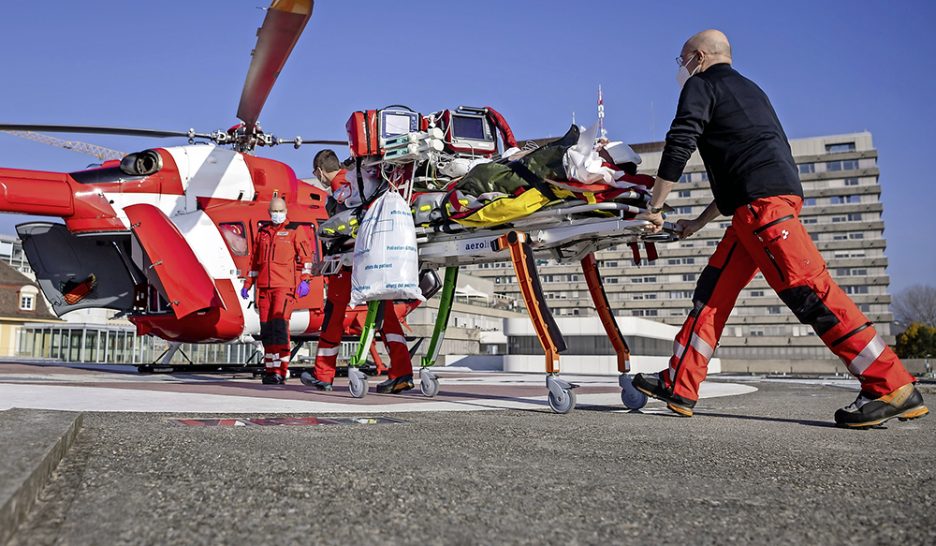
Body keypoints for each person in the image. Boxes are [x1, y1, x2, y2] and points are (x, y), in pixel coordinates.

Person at [632, 29, 927, 428]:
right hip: (755, 209)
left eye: (682, 60)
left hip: (763, 211)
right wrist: (698, 223)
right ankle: (680, 383)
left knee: (812, 294)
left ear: (699, 57)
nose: (680, 68)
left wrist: (654, 207)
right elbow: (746, 172)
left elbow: (680, 141)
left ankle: (890, 384)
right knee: (713, 293)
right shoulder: (752, 92)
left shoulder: (701, 85)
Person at [300, 150, 415, 394]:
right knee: (386, 317)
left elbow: (343, 227)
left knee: (333, 316)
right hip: (375, 263)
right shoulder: (363, 179)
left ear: (319, 172)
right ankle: (402, 372)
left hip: (348, 265)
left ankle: (323, 374)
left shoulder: (343, 187)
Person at [241, 197, 313, 385]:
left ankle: (281, 370)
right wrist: (248, 283)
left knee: (280, 327)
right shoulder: (263, 232)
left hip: (283, 287)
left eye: (280, 211)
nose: (277, 214)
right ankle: (270, 369)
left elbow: (306, 258)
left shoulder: (294, 231)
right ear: (269, 212)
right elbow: (254, 261)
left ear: (286, 211)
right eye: (274, 211)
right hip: (264, 288)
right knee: (267, 330)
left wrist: (305, 280)